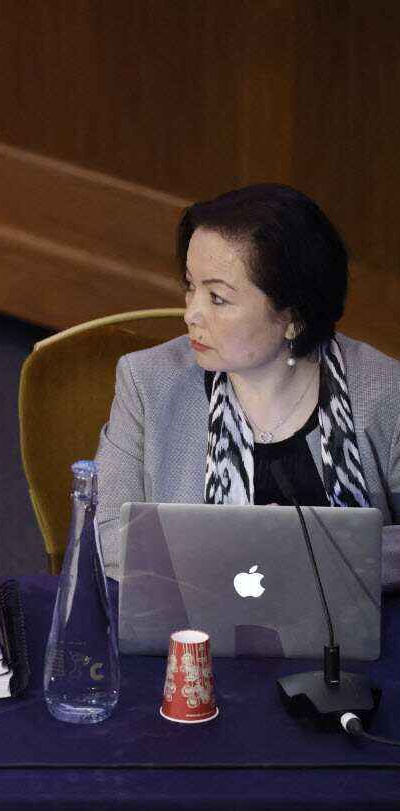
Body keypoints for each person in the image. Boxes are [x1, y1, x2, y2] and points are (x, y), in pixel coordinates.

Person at [94, 184, 400, 587]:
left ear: (293, 316)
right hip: (194, 635)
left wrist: (308, 549)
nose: (191, 313)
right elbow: (107, 536)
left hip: (348, 638)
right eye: (190, 286)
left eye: (217, 298)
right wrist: (246, 550)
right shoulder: (147, 382)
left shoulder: (384, 392)